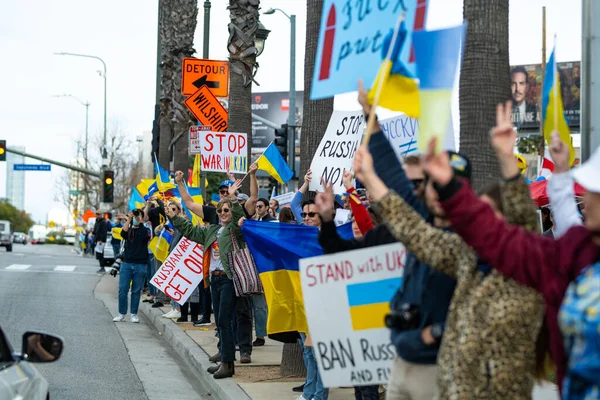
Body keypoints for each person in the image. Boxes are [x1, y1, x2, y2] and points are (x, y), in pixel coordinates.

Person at [355, 99, 549, 399]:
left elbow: (525, 220)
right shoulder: (464, 256)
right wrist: (369, 174)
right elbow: (411, 224)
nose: (482, 227)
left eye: (489, 218)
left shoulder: (523, 272)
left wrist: (508, 161)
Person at [424, 129, 600, 397]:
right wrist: (450, 188)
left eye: (593, 192)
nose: (584, 199)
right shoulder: (574, 250)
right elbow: (503, 239)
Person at [167, 179, 252, 379]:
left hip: (230, 279)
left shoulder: (235, 229)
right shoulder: (212, 231)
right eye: (220, 211)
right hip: (214, 280)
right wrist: (174, 217)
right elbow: (191, 231)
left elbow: (239, 215)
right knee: (220, 322)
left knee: (224, 320)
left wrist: (232, 198)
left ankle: (228, 364)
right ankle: (225, 359)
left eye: (226, 211)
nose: (223, 214)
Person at [112, 209, 151, 323]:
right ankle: (121, 313)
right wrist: (128, 219)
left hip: (140, 264)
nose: (135, 218)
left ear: (142, 218)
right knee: (123, 289)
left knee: (136, 290)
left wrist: (139, 220)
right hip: (127, 263)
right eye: (134, 216)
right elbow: (123, 234)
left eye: (137, 216)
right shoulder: (128, 229)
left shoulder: (145, 230)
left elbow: (146, 236)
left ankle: (134, 313)